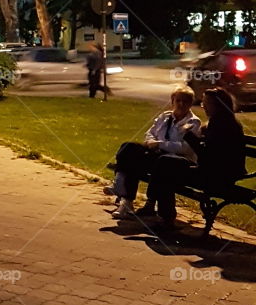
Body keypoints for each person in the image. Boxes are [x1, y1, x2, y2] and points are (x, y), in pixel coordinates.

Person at [145, 87, 247, 237]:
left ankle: (162, 213)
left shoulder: (224, 126)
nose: (203, 106)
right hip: (210, 171)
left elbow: (208, 156)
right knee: (166, 164)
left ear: (217, 105)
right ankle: (163, 215)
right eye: (203, 103)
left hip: (217, 177)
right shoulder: (217, 122)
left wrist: (189, 135)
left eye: (206, 103)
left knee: (166, 164)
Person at [105, 86, 201, 219]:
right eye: (178, 100)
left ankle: (123, 192)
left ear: (190, 103)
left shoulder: (193, 122)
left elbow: (185, 148)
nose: (181, 104)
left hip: (174, 161)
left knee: (142, 161)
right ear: (172, 101)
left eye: (185, 101)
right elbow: (150, 133)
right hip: (157, 155)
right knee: (129, 148)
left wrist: (160, 144)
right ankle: (125, 198)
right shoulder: (165, 116)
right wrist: (151, 142)